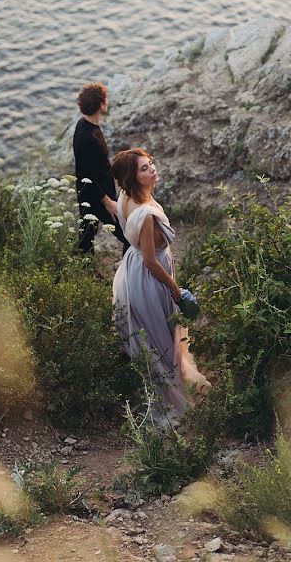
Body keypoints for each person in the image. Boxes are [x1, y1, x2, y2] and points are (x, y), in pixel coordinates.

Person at [111, 147, 211, 422]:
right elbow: (150, 262)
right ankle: (171, 402)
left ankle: (165, 385)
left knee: (153, 336)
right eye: (144, 168)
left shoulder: (125, 196)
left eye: (151, 163)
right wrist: (176, 292)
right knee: (162, 338)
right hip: (150, 279)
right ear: (133, 176)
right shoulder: (146, 215)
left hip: (131, 270)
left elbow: (118, 215)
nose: (152, 169)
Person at [72, 82, 130, 253]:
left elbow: (87, 169)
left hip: (85, 191)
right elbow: (88, 173)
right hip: (99, 195)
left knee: (87, 234)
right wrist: (107, 202)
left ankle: (84, 269)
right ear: (101, 105)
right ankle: (128, 274)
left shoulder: (83, 125)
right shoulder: (90, 138)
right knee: (127, 235)